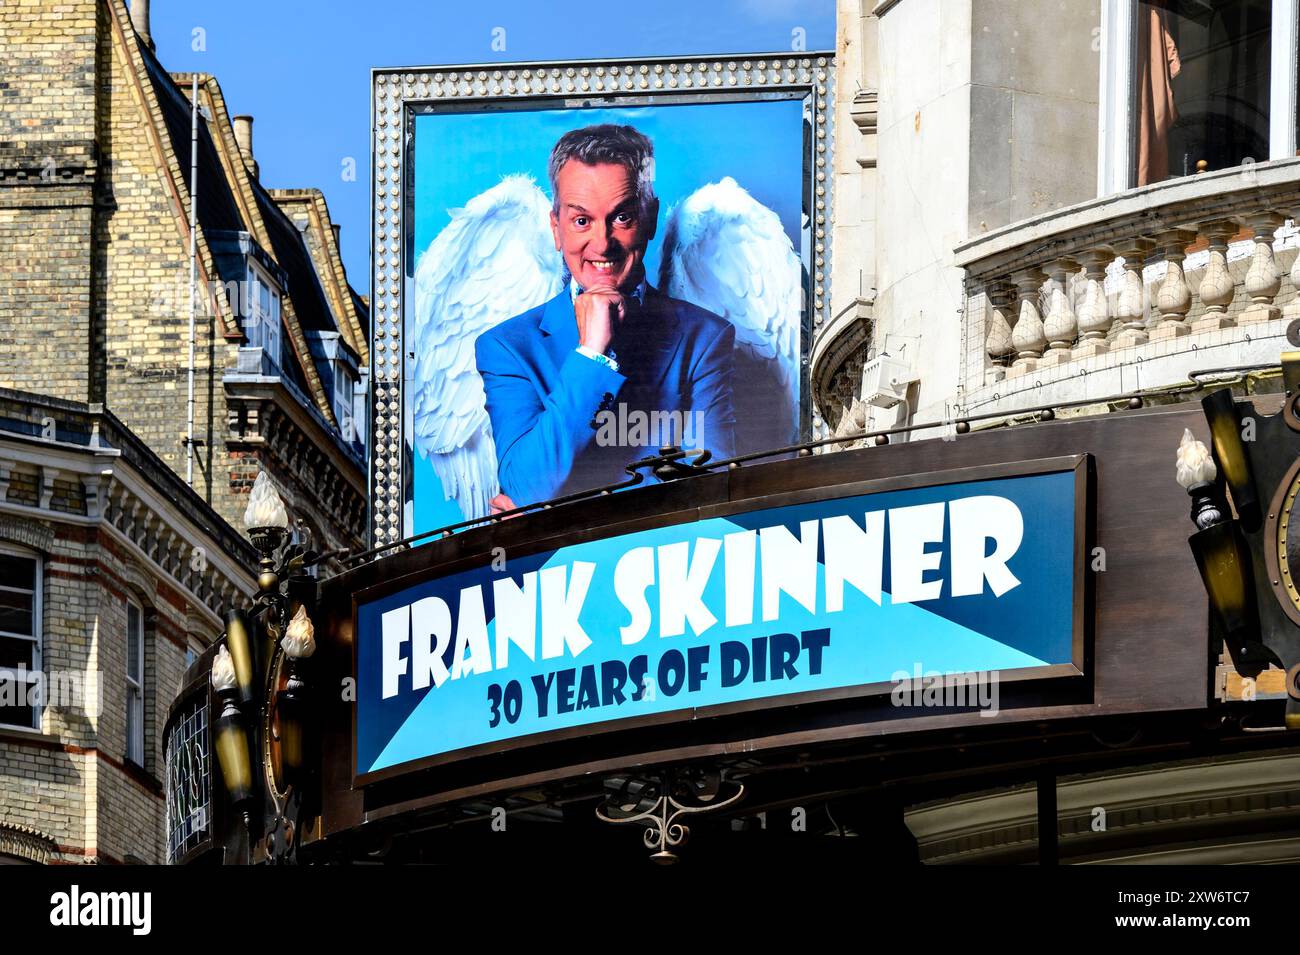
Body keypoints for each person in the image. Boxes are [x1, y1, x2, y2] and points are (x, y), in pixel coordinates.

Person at [476, 124, 736, 511]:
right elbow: (527, 487)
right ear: (556, 229)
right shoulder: (507, 348)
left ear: (649, 219)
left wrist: (555, 517)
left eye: (621, 218)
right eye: (582, 221)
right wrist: (591, 354)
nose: (601, 243)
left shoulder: (705, 339)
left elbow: (716, 496)